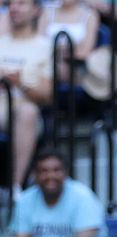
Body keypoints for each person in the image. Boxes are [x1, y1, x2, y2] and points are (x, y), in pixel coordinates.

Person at [9, 148, 113, 237]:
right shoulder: (25, 199)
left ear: (66, 173)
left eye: (56, 170)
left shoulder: (83, 197)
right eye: (44, 171)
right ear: (35, 175)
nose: (50, 176)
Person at [0, 0, 52, 191]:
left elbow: (48, 96)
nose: (14, 8)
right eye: (11, 4)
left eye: (21, 3)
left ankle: (16, 188)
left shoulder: (45, 46)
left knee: (28, 112)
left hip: (22, 108)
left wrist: (19, 83)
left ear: (36, 10)